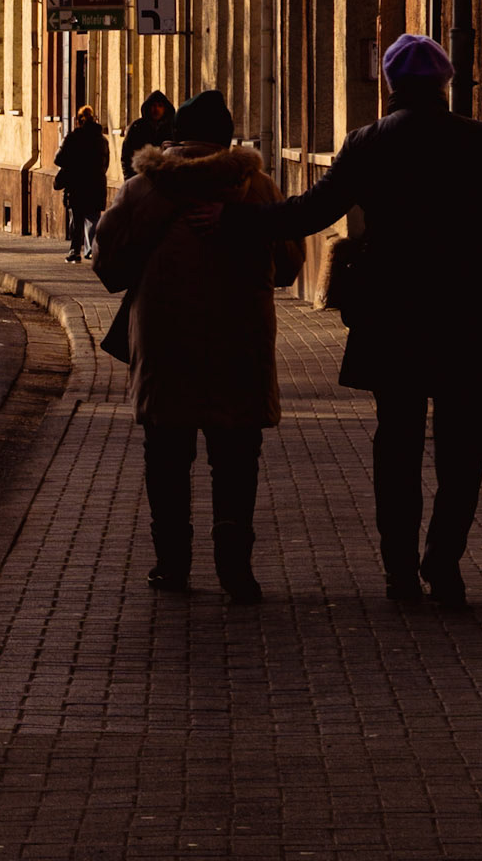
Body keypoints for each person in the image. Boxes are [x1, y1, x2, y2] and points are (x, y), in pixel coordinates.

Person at [224, 33, 482, 606]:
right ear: (445, 85)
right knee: (464, 444)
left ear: (390, 86)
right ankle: (443, 563)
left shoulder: (367, 143)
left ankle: (399, 568)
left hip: (393, 314)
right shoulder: (474, 140)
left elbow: (311, 211)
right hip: (464, 313)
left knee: (396, 441)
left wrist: (239, 220)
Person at [95, 89, 303, 604]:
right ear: (228, 136)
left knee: (166, 458)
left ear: (176, 135)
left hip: (166, 349)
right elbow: (292, 266)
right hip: (240, 346)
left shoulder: (142, 190)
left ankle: (172, 564)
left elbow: (106, 266)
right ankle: (236, 567)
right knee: (236, 460)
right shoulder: (259, 190)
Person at [54, 104, 110, 262]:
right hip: (96, 185)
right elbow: (106, 163)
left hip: (76, 185)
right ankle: (92, 250)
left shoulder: (73, 138)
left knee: (77, 220)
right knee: (93, 219)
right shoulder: (101, 140)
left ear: (78, 120)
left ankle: (75, 251)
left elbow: (58, 159)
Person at [120, 88, 174, 179]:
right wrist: (129, 177)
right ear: (148, 107)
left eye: (160, 106)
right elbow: (126, 155)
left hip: (166, 180)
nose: (156, 109)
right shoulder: (137, 127)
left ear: (165, 108)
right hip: (140, 178)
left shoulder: (172, 128)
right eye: (153, 106)